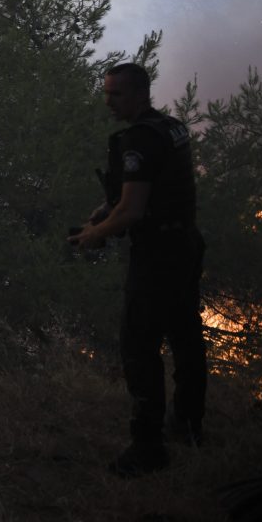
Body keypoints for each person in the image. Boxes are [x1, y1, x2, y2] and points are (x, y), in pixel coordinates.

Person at [69, 62, 207, 476]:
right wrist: (106, 210)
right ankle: (188, 424)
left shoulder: (138, 140)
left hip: (159, 255)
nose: (108, 102)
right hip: (185, 244)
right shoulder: (171, 127)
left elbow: (132, 211)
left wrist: (95, 234)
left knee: (139, 348)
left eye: (116, 95)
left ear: (139, 95)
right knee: (186, 337)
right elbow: (151, 187)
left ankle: (148, 448)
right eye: (106, 93)